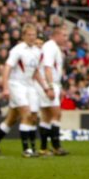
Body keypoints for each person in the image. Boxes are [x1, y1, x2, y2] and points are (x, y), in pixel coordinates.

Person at [0, 24, 52, 157]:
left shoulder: (38, 52)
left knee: (21, 117)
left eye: (34, 35)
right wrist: (5, 88)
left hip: (29, 85)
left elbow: (36, 73)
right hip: (16, 84)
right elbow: (7, 68)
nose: (32, 37)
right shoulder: (17, 50)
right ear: (23, 36)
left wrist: (46, 87)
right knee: (26, 114)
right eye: (29, 35)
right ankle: (27, 150)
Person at [37, 24, 69, 156]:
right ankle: (56, 146)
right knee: (56, 114)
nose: (66, 38)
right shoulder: (51, 47)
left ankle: (44, 148)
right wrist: (50, 87)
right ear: (56, 35)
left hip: (48, 84)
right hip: (48, 84)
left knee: (46, 116)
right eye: (64, 35)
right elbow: (48, 67)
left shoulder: (52, 47)